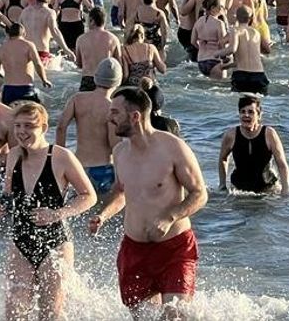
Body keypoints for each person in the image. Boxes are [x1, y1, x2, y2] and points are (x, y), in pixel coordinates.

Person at [88, 87, 207, 316]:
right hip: (135, 250)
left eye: (115, 112)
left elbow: (199, 194)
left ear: (135, 116)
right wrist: (103, 215)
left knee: (174, 316)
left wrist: (169, 216)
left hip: (175, 248)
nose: (109, 118)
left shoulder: (173, 148)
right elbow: (121, 193)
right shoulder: (120, 152)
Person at [0, 102, 96, 321]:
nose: (22, 132)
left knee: (50, 313)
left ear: (43, 127)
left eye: (29, 126)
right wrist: (2, 204)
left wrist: (57, 214)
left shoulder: (61, 157)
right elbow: (8, 192)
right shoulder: (13, 155)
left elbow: (89, 196)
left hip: (56, 243)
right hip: (20, 240)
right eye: (18, 126)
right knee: (13, 313)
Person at [56, 58, 123, 195]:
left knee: (77, 208)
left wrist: (60, 156)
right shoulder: (111, 107)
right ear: (118, 82)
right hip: (102, 168)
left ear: (96, 78)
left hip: (77, 166)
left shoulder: (77, 99)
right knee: (101, 212)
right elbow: (114, 145)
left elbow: (61, 127)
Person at [218, 94, 289, 195]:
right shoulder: (231, 135)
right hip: (239, 191)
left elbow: (281, 164)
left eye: (250, 112)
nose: (246, 115)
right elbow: (222, 159)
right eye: (242, 112)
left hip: (268, 189)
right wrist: (222, 185)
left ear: (259, 115)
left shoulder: (269, 134)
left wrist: (285, 189)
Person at [0, 22, 52, 104]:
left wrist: (5, 78)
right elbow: (38, 64)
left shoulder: (0, 48)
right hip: (26, 88)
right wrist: (44, 80)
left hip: (8, 89)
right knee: (36, 112)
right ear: (24, 33)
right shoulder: (28, 45)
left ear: (9, 34)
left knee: (9, 115)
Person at [217, 5, 269, 94]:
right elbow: (267, 50)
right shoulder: (257, 32)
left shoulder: (235, 31)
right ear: (251, 18)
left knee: (241, 103)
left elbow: (221, 43)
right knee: (257, 104)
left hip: (240, 75)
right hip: (258, 74)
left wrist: (222, 58)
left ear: (236, 17)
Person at [72, 6, 119, 91]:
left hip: (88, 79)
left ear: (92, 20)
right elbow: (118, 63)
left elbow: (79, 64)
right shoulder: (113, 39)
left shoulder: (81, 39)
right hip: (106, 79)